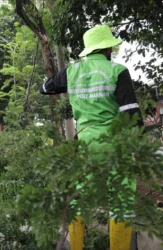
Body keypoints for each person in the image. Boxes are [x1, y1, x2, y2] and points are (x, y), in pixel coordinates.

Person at [40, 25, 144, 250]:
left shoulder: (72, 72)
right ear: (106, 48)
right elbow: (131, 112)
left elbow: (45, 87)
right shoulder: (118, 70)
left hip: (86, 143)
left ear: (89, 50)